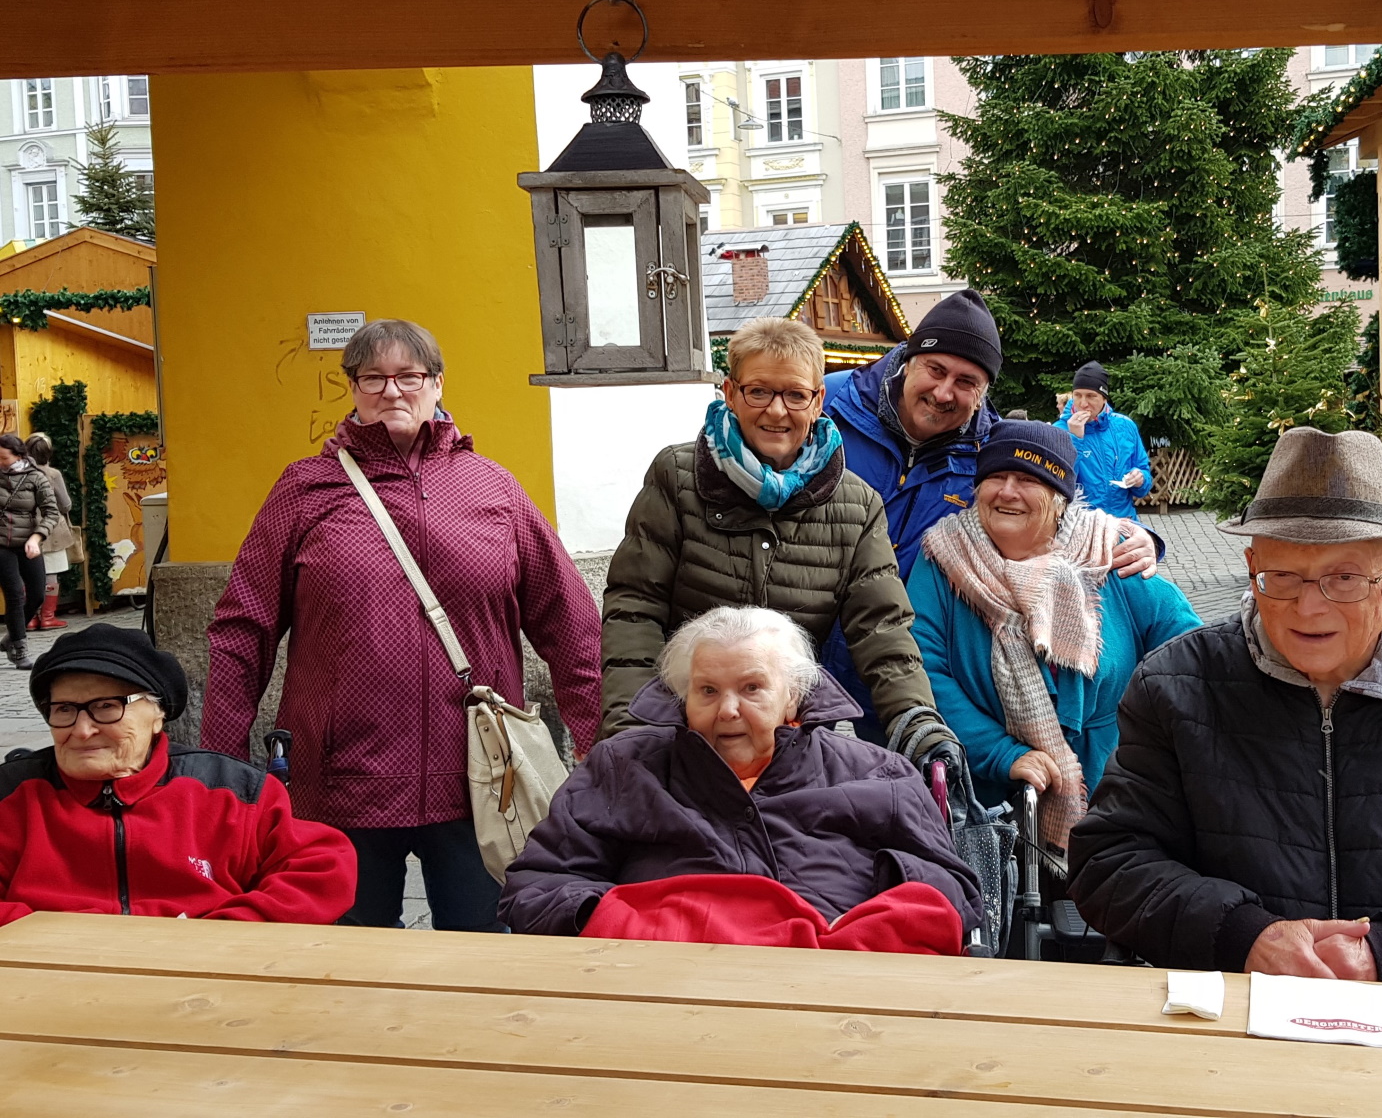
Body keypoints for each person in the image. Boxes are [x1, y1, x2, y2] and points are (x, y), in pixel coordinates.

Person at [1068, 427, 1382, 988]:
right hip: (1228, 1011)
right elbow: (1109, 862)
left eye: (1345, 578)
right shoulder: (1175, 686)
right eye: (1281, 576)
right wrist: (1245, 936)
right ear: (1251, 566)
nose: (1308, 607)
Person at [204, 319, 602, 933]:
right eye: (373, 378)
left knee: (483, 956)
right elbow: (242, 630)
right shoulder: (305, 490)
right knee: (347, 962)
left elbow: (570, 622)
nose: (392, 391)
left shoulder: (492, 487)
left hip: (481, 781)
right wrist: (219, 763)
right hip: (341, 782)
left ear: (437, 384)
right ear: (353, 389)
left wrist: (596, 735)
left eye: (409, 376)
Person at [502, 607, 982, 954]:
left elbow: (952, 894)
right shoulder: (623, 766)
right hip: (659, 989)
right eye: (708, 691)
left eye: (752, 688)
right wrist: (631, 929)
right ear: (684, 699)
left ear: (794, 695)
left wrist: (859, 922)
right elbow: (537, 888)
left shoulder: (879, 772)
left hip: (840, 997)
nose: (728, 710)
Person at [601, 317, 948, 758]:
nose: (777, 411)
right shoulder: (677, 477)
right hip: (682, 727)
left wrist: (916, 718)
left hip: (788, 736)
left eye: (795, 395)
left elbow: (881, 629)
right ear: (730, 393)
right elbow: (635, 608)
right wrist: (635, 724)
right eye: (759, 391)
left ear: (818, 401)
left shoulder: (857, 505)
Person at [820, 291, 1159, 735]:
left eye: (966, 382)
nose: (944, 392)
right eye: (935, 369)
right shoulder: (827, 403)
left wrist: (1140, 540)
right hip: (803, 642)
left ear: (982, 393)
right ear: (908, 360)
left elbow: (1052, 512)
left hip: (896, 665)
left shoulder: (989, 451)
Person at [909, 421, 1200, 847]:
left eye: (1028, 479)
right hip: (986, 804)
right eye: (995, 477)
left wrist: (1148, 740)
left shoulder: (1107, 548)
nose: (1008, 491)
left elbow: (1184, 648)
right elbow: (922, 668)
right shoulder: (943, 556)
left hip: (1116, 789)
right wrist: (1002, 753)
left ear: (1059, 498)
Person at [0, 625, 355, 925]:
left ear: (158, 715)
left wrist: (225, 934)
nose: (81, 730)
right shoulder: (13, 796)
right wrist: (49, 939)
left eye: (106, 707)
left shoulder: (230, 790)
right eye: (64, 709)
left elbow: (324, 865)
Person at [1054, 360, 1153, 520]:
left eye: (1091, 396)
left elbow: (1143, 479)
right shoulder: (1058, 431)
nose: (1083, 403)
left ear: (1104, 398)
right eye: (1077, 395)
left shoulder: (1125, 426)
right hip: (1080, 525)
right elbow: (1059, 485)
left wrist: (1140, 478)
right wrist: (1075, 439)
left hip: (1124, 523)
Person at [0, 433, 60, 670]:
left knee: (37, 594)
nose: (1, 462)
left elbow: (52, 512)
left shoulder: (36, 477)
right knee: (15, 594)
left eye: (4, 458)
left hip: (28, 541)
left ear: (19, 456)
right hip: (1, 544)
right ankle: (19, 650)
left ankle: (11, 636)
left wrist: (37, 537)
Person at [24, 434, 72, 631]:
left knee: (26, 573)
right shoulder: (53, 474)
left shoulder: (17, 473)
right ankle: (48, 617)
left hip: (24, 529)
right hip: (51, 529)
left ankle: (29, 618)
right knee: (51, 572)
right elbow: (66, 504)